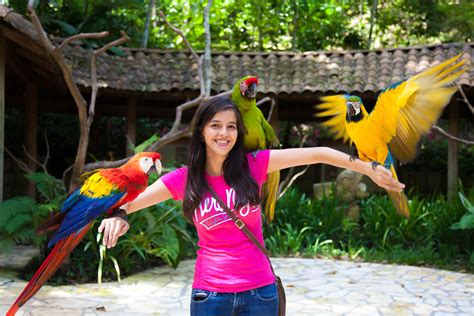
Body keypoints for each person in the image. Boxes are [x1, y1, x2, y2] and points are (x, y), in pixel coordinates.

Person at [98, 95, 404, 315]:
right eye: (215, 125)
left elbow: (318, 153)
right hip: (210, 296)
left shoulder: (254, 165)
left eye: (231, 127)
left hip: (260, 293)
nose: (224, 133)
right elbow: (130, 202)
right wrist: (119, 217)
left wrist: (368, 169)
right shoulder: (184, 179)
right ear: (202, 132)